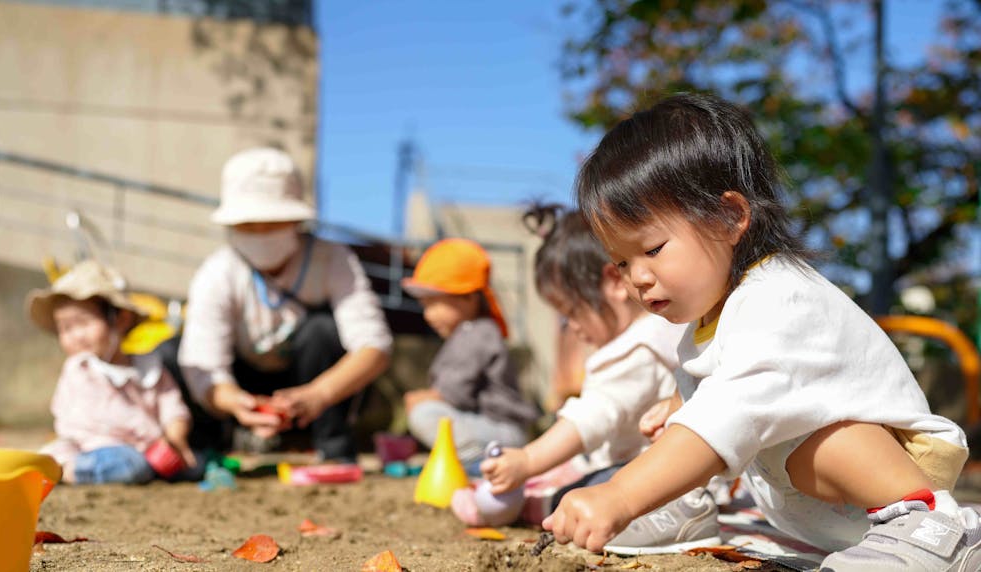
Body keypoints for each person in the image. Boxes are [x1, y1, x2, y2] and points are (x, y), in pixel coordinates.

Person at [542, 93, 981, 571]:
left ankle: (936, 527)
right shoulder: (713, 318)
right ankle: (689, 511)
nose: (637, 278)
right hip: (831, 512)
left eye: (652, 249)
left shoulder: (780, 297)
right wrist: (679, 407)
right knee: (690, 423)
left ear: (730, 217)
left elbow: (732, 412)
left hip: (900, 474)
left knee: (767, 430)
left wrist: (621, 494)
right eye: (622, 262)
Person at [466, 206, 717, 552]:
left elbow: (590, 419)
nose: (574, 329)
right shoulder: (660, 333)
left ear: (613, 283)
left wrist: (527, 461)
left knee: (579, 492)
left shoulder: (636, 348)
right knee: (578, 474)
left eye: (572, 313)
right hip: (678, 470)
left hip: (664, 479)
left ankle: (534, 505)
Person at [162, 147, 392, 461]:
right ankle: (207, 448)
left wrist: (319, 393)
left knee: (322, 331)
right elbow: (204, 358)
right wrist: (234, 402)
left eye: (271, 223)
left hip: (311, 379)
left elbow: (373, 345)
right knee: (176, 353)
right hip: (242, 379)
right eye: (249, 225)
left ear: (296, 221)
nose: (260, 232)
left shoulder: (333, 259)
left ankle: (333, 446)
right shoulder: (217, 272)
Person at [28, 260, 201, 484]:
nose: (76, 336)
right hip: (92, 448)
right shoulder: (81, 369)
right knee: (129, 465)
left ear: (120, 319)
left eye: (83, 323)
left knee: (196, 465)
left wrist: (176, 435)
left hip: (150, 447)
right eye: (66, 328)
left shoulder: (149, 368)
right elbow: (114, 416)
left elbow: (171, 403)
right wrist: (156, 439)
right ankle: (69, 471)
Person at [402, 238, 538, 473]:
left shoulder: (476, 333)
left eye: (435, 304)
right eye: (425, 305)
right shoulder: (471, 332)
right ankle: (469, 458)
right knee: (428, 412)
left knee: (424, 413)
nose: (428, 315)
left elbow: (454, 393)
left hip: (502, 430)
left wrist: (423, 397)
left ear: (469, 297)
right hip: (491, 429)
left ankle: (472, 464)